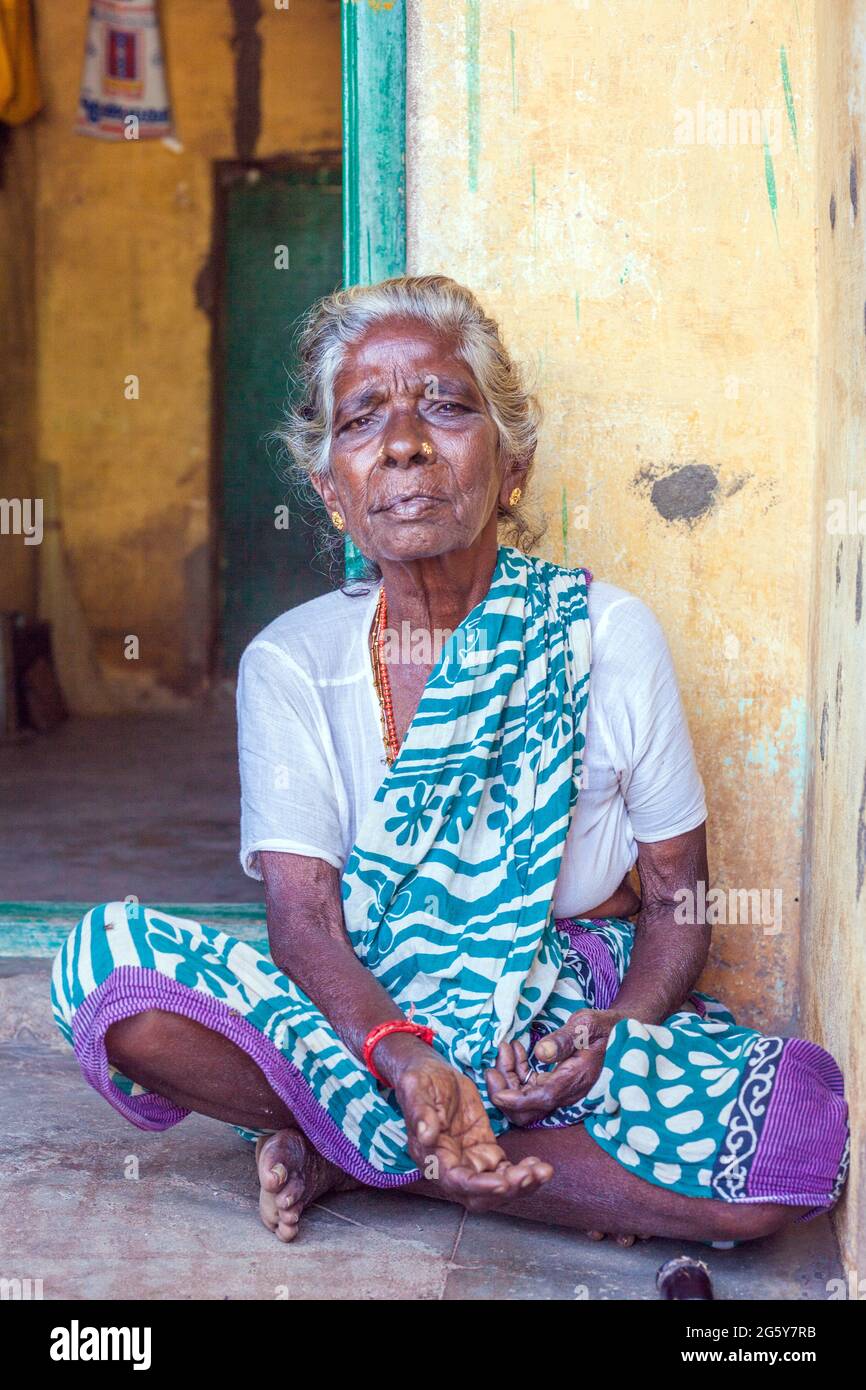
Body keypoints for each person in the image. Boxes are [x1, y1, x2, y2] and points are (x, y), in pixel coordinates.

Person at [51, 275, 849, 1247]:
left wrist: (614, 1034)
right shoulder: (292, 662)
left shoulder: (603, 632)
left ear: (510, 466)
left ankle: (361, 1154)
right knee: (105, 967)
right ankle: (442, 1145)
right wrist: (401, 1055)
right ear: (330, 490)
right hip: (369, 1014)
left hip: (552, 1021)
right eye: (362, 420)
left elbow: (680, 898)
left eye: (443, 405)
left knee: (789, 1140)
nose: (402, 443)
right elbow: (302, 924)